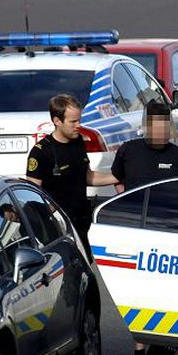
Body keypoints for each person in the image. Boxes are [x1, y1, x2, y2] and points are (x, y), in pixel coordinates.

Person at [111, 99, 178, 355]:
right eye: (155, 125)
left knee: (167, 300)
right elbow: (118, 182)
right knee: (137, 299)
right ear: (146, 126)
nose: (160, 130)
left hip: (169, 240)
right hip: (135, 238)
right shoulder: (129, 151)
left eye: (164, 125)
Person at [25, 94, 118, 256]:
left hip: (82, 221)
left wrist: (118, 176)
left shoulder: (78, 143)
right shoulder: (41, 152)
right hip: (58, 228)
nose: (78, 125)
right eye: (73, 122)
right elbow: (33, 195)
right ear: (57, 121)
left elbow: (87, 176)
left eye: (79, 120)